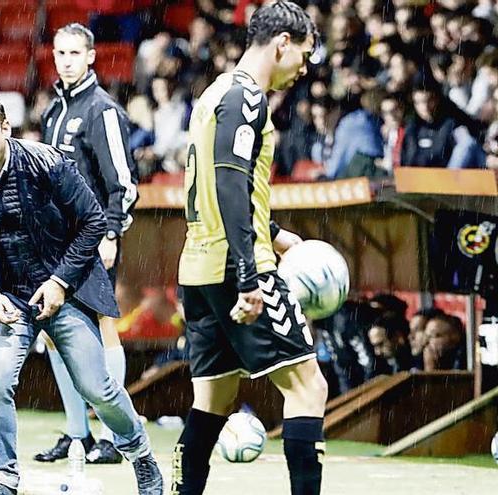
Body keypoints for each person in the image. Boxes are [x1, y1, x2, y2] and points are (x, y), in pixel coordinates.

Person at [0, 93, 162, 495]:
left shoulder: (48, 162)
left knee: (98, 389)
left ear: (5, 129)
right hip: (8, 300)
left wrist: (60, 282)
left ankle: (141, 455)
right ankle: (2, 476)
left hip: (68, 290)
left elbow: (93, 221)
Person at [171, 3, 329, 495]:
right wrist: (250, 276)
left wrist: (275, 229)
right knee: (309, 388)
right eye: (303, 54)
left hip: (197, 267)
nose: (304, 68)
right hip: (238, 266)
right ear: (281, 42)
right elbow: (230, 184)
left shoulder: (215, 92)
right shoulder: (248, 98)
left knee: (213, 399)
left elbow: (217, 183)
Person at [38, 22, 139, 465]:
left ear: (92, 56)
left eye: (74, 53)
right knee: (58, 333)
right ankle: (78, 435)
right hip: (55, 241)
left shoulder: (103, 110)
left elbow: (124, 182)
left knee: (101, 329)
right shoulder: (52, 111)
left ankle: (117, 436)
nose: (66, 61)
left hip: (93, 238)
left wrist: (112, 231)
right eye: (60, 53)